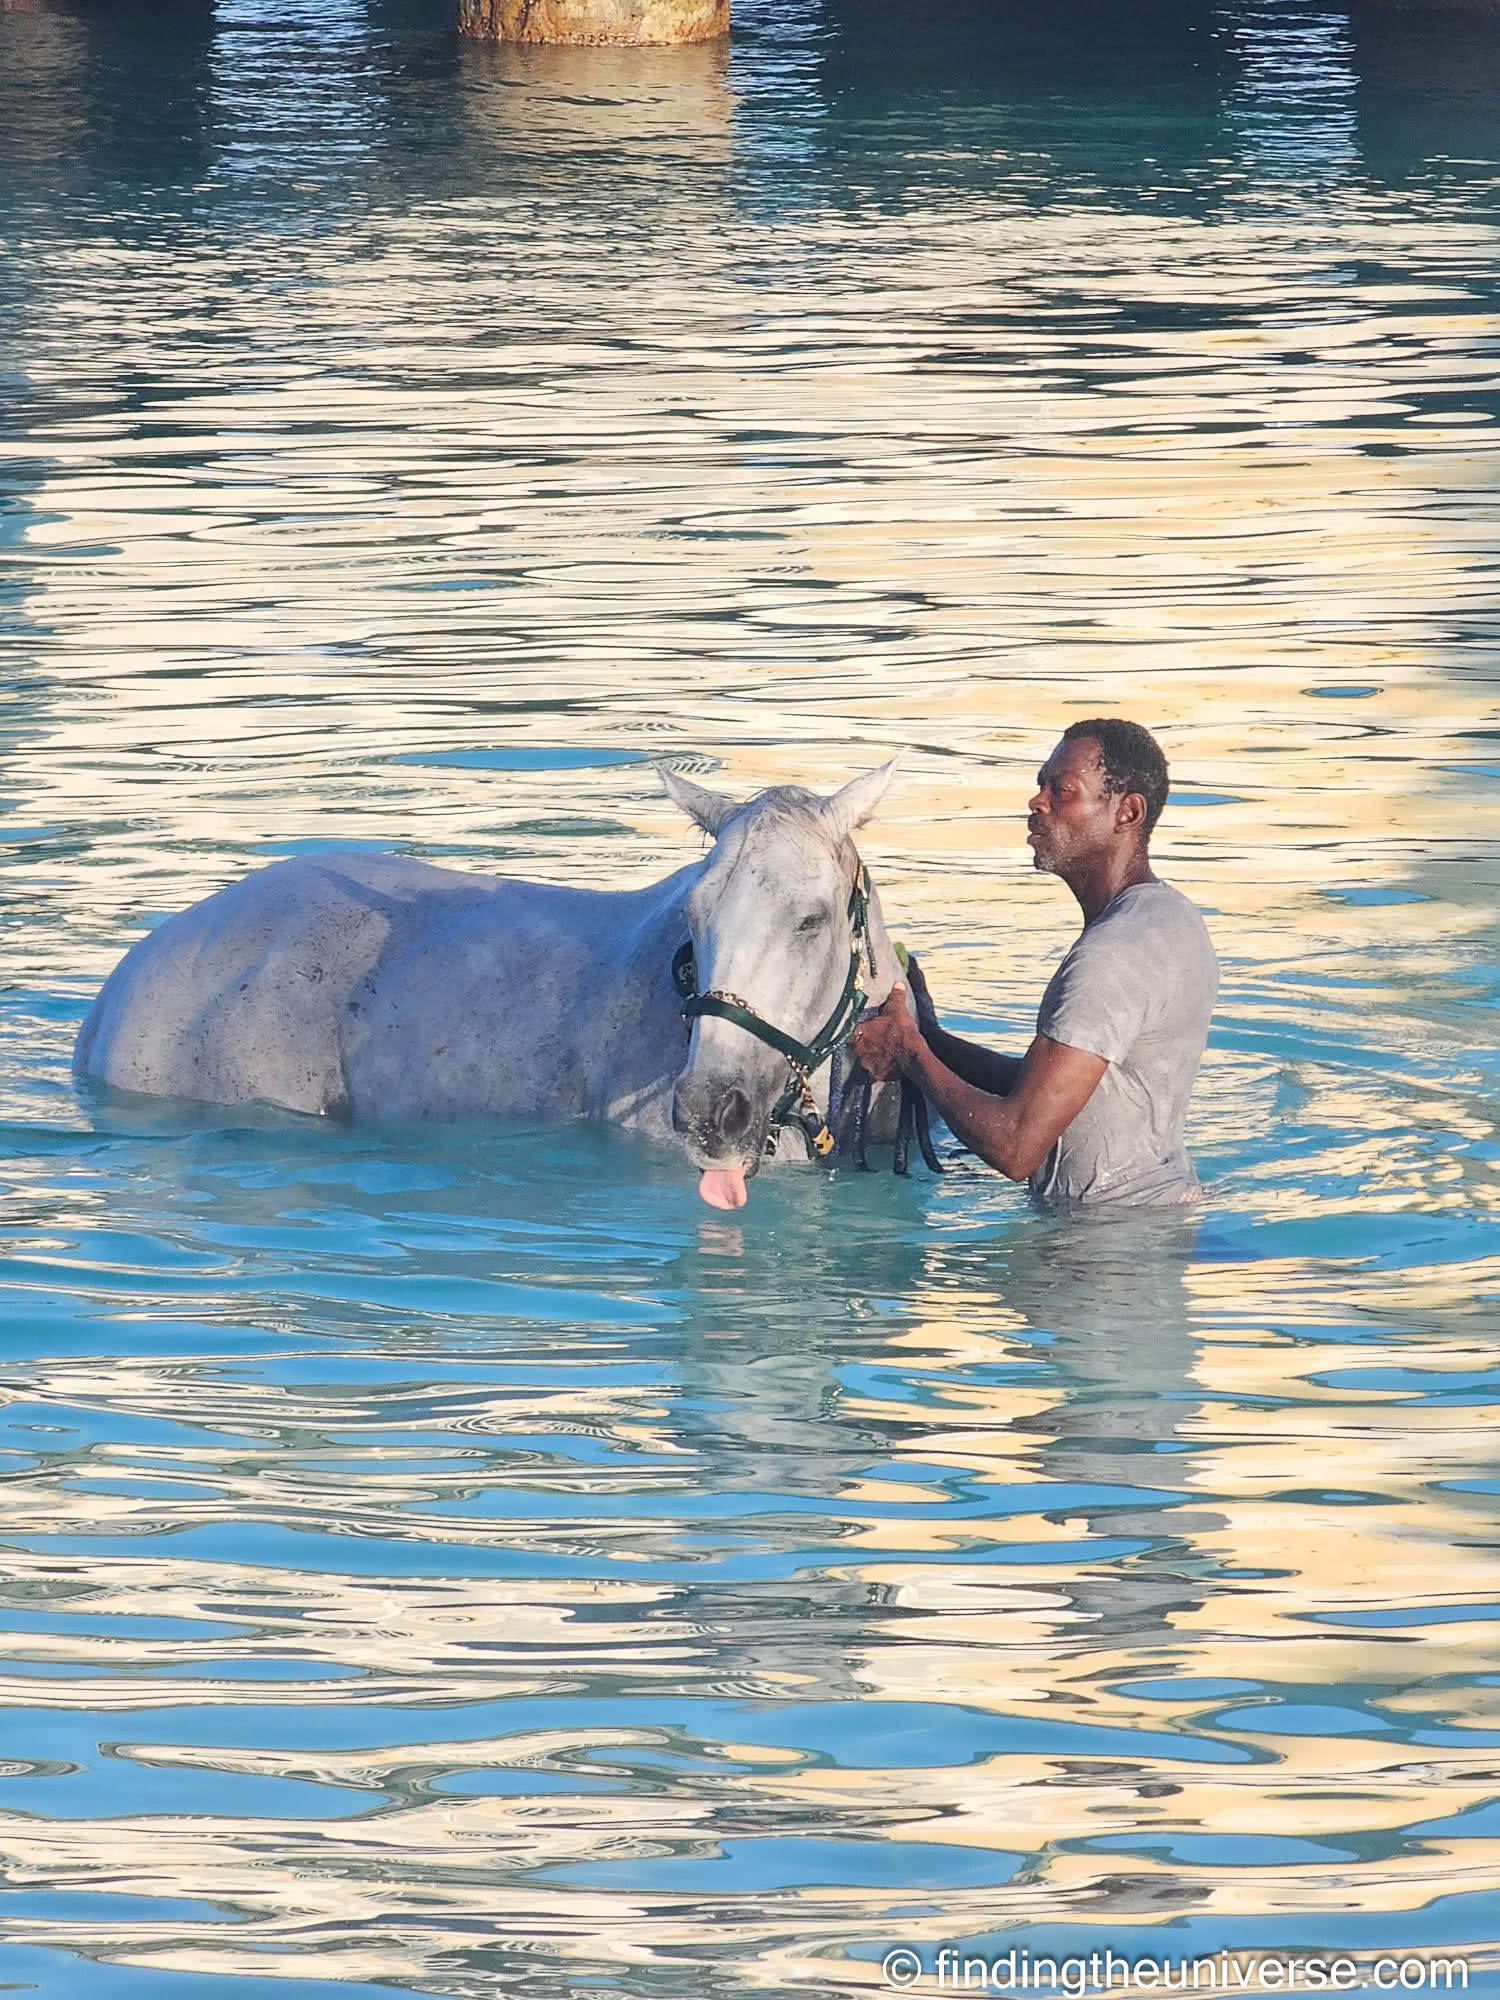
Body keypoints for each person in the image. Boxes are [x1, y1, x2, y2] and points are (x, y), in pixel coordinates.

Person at [851, 718, 1218, 1206]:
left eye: (1062, 791)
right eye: (1040, 786)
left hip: (1095, 1252)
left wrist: (911, 1055)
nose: (1037, 802)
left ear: (1127, 813)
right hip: (1155, 1217)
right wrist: (933, 1041)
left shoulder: (1110, 956)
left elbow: (1016, 1146)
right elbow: (1058, 1094)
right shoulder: (1170, 918)